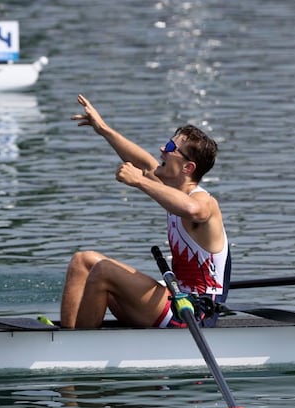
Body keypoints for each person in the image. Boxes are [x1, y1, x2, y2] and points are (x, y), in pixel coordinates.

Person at [59, 94, 231, 329]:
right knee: (83, 261)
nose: (162, 149)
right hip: (176, 298)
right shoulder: (172, 190)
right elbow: (145, 163)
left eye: (170, 148)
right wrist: (103, 129)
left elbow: (192, 209)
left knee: (104, 271)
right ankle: (66, 335)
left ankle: (79, 344)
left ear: (188, 167)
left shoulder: (205, 202)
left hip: (196, 312)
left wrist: (139, 181)